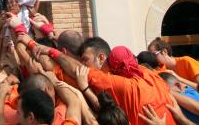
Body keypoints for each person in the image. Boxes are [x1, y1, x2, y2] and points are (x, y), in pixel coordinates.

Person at [27, 42, 177, 125]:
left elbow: (78, 71)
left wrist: (48, 50)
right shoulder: (150, 74)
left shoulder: (124, 86)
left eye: (85, 59)